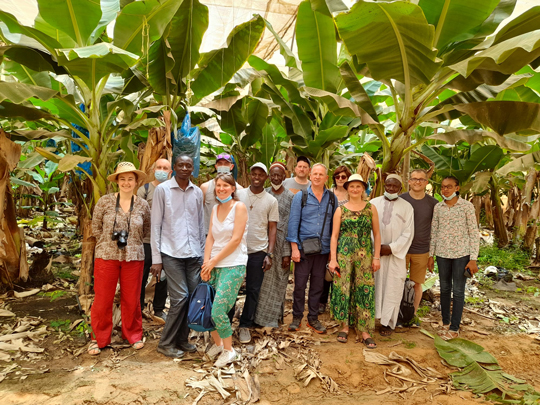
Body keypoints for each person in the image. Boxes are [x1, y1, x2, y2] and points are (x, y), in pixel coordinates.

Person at [89, 162, 150, 355]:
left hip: (134, 256)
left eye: (130, 179)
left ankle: (133, 335)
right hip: (107, 255)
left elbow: (146, 229)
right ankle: (98, 338)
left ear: (136, 181)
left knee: (132, 298)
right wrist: (109, 242)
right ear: (116, 181)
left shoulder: (142, 204)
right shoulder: (105, 202)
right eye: (122, 179)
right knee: (102, 299)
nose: (126, 182)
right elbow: (95, 228)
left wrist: (131, 242)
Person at [150, 155, 205, 358]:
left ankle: (182, 340)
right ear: (174, 168)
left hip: (193, 255)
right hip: (171, 253)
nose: (184, 168)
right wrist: (156, 259)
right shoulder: (162, 190)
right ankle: (165, 343)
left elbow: (200, 225)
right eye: (180, 165)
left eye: (188, 165)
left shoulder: (197, 192)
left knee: (191, 299)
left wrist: (202, 254)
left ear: (192, 169)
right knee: (180, 298)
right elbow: (156, 225)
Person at [201, 173, 248, 368]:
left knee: (219, 309)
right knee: (208, 307)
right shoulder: (214, 208)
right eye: (218, 186)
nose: (221, 189)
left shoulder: (240, 207)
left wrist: (213, 261)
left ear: (233, 188)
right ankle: (219, 345)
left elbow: (236, 239)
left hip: (233, 264)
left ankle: (230, 351)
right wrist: (206, 264)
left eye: (225, 186)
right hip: (214, 264)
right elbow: (210, 237)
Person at [328, 174, 381, 347]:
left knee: (364, 289)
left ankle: (364, 330)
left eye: (358, 186)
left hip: (364, 256)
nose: (355, 189)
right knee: (343, 289)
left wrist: (376, 257)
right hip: (344, 255)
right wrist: (333, 259)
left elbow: (377, 234)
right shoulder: (340, 210)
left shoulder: (370, 208)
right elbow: (334, 236)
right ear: (347, 188)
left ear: (363, 189)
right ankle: (344, 326)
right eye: (352, 186)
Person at [287, 163, 338, 334]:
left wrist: (333, 253)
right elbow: (293, 223)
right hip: (303, 250)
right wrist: (294, 248)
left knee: (318, 286)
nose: (317, 177)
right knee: (300, 285)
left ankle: (313, 318)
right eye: (314, 174)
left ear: (326, 178)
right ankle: (296, 317)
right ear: (310, 176)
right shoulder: (300, 196)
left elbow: (334, 227)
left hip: (323, 251)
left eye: (321, 174)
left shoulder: (332, 198)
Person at [430, 176, 479, 340]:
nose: (445, 190)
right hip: (442, 254)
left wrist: (473, 258)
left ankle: (455, 327)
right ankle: (445, 322)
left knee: (458, 290)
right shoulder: (438, 207)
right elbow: (434, 232)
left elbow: (473, 232)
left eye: (449, 187)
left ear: (457, 188)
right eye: (443, 187)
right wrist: (431, 255)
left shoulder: (466, 206)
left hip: (461, 254)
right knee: (444, 289)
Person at [236, 163, 279, 343]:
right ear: (249, 175)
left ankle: (244, 325)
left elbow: (272, 228)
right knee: (232, 287)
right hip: (237, 250)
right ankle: (225, 324)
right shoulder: (238, 194)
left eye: (261, 175)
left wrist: (269, 254)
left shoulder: (271, 200)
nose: (256, 177)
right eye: (254, 174)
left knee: (253, 290)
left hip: (258, 251)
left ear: (266, 178)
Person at [370, 174, 414, 337]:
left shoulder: (407, 207)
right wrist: (376, 248)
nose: (391, 189)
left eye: (394, 186)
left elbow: (408, 233)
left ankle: (387, 324)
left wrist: (392, 248)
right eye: (388, 185)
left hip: (396, 256)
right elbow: (367, 228)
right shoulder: (373, 203)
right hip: (376, 254)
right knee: (374, 285)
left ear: (400, 188)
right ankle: (370, 320)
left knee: (393, 288)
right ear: (384, 186)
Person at [254, 162, 294, 328]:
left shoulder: (291, 197)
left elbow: (292, 225)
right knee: (263, 283)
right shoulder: (265, 194)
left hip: (282, 245)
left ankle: (276, 318)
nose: (276, 178)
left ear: (284, 177)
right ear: (269, 177)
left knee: (279, 282)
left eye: (279, 175)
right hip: (265, 244)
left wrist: (287, 252)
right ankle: (261, 318)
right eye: (273, 175)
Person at [399, 169, 438, 325]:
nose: (417, 182)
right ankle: (397, 312)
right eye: (414, 179)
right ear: (409, 181)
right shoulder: (400, 200)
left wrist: (431, 254)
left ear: (426, 183)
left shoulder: (433, 203)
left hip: (422, 249)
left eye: (421, 179)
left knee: (417, 283)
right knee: (398, 281)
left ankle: (412, 314)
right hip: (401, 248)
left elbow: (435, 229)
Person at [137, 158, 172, 322]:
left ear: (170, 172)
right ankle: (139, 308)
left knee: (163, 277)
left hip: (167, 241)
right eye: (159, 167)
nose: (162, 170)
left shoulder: (173, 189)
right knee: (141, 275)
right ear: (153, 170)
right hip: (146, 240)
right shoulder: (144, 190)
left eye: (165, 168)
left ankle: (159, 309)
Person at [319, 165, 352, 314]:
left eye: (343, 177)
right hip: (328, 234)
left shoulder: (352, 195)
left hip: (346, 236)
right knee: (327, 268)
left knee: (342, 270)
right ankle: (322, 301)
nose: (340, 179)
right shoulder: (328, 193)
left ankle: (337, 302)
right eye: (337, 176)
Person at [200, 153, 243, 234]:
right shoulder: (205, 187)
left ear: (231, 167)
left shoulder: (240, 189)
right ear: (216, 167)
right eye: (220, 164)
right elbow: (199, 212)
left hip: (229, 235)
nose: (223, 166)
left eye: (226, 164)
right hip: (208, 234)